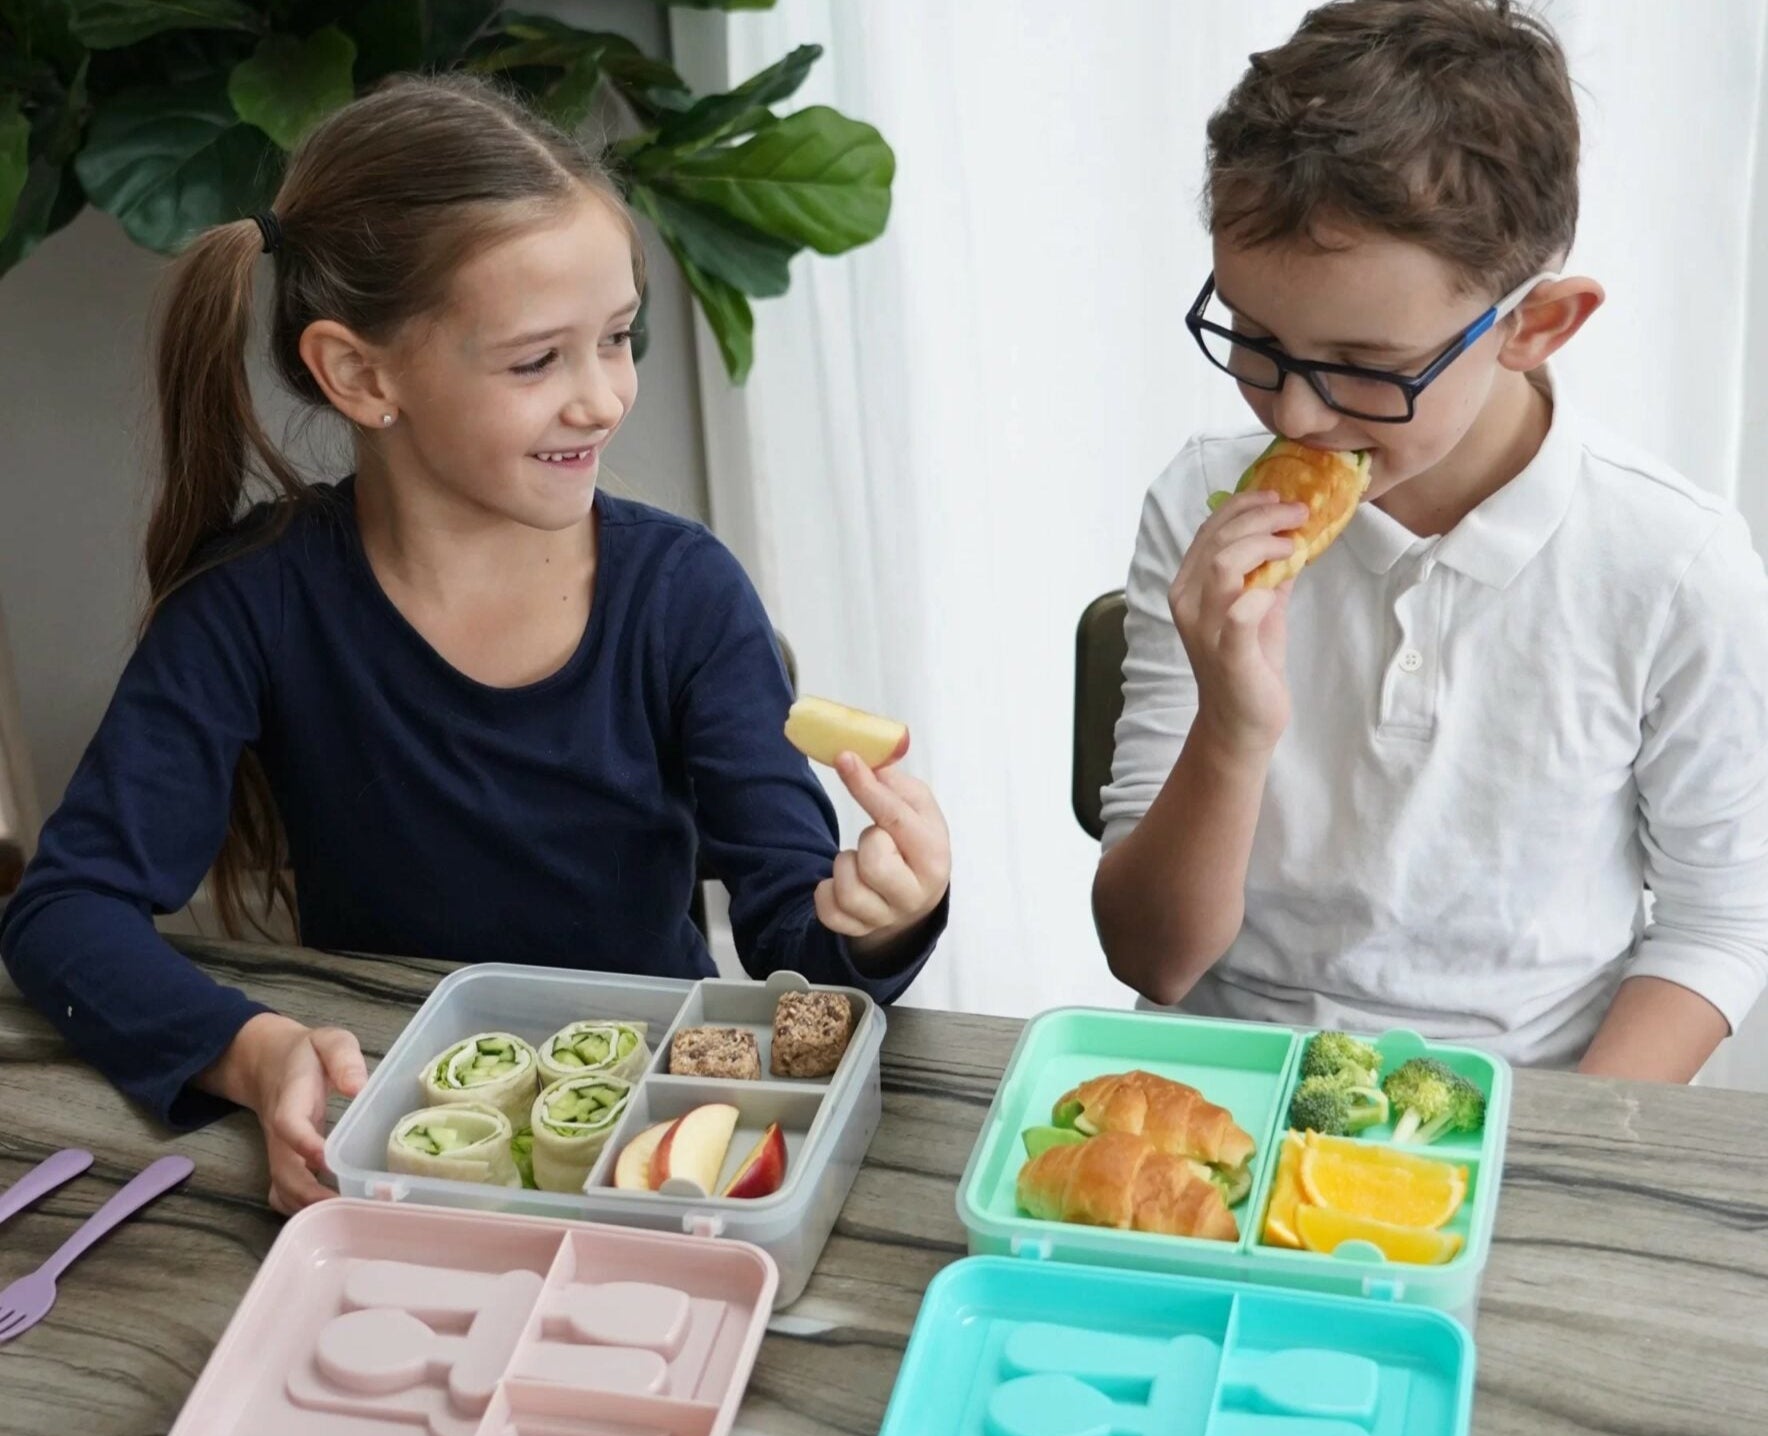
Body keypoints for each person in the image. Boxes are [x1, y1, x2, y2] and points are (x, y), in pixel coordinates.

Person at [0, 76, 950, 1212]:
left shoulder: (686, 595)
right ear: (362, 375)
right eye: (537, 361)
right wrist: (254, 1053)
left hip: (647, 1148)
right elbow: (63, 913)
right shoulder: (251, 605)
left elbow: (800, 953)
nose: (603, 399)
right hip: (388, 1126)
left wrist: (880, 919)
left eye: (617, 338)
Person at [1093, 0, 1768, 1082]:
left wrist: (1548, 1148)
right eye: (1255, 339)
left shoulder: (1677, 569)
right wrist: (1232, 726)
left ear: (1535, 324)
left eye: (1365, 365)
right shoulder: (1199, 503)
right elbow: (1153, 962)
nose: (1296, 415)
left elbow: (1718, 926)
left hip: (1527, 1094)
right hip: (1222, 1079)